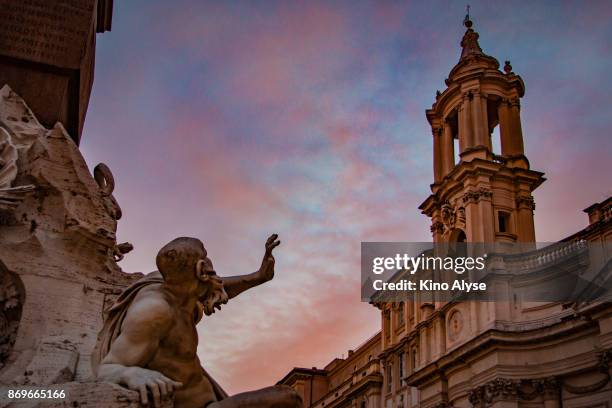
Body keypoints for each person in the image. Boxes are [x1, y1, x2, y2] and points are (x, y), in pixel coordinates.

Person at [94, 234, 301, 408]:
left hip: (211, 399)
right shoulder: (155, 311)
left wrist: (258, 276)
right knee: (288, 399)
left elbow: (217, 285)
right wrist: (130, 373)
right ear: (201, 268)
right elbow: (108, 368)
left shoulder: (174, 283)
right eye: (207, 259)